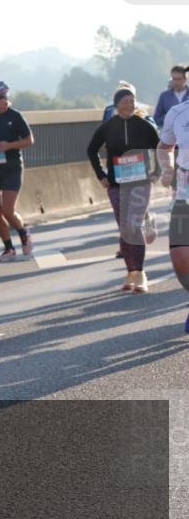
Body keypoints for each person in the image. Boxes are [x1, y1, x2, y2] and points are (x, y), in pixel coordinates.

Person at [87, 88, 161, 292]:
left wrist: (157, 172)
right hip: (116, 184)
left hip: (140, 183)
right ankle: (130, 272)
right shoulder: (108, 127)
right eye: (124, 101)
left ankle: (140, 273)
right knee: (125, 228)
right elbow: (91, 150)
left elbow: (162, 149)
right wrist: (101, 176)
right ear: (116, 104)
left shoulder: (144, 126)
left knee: (133, 225)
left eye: (132, 101)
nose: (129, 105)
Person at [0, 81, 35, 262]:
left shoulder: (15, 116)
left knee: (7, 210)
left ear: (6, 99)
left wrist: (9, 145)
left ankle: (23, 233)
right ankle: (8, 248)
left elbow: (29, 140)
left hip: (11, 167)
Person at [159, 98, 189, 331]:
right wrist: (168, 167)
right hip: (184, 193)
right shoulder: (177, 113)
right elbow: (164, 146)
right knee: (180, 258)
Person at [154, 65, 187, 130]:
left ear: (185, 79)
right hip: (170, 136)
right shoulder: (164, 96)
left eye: (179, 79)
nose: (176, 82)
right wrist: (170, 119)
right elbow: (156, 119)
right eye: (173, 79)